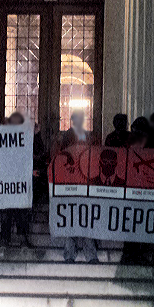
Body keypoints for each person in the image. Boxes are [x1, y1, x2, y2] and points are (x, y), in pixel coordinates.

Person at [58, 110, 99, 264]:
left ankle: (72, 254)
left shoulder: (77, 135)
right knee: (82, 218)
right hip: (78, 182)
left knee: (75, 218)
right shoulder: (77, 135)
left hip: (78, 182)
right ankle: (89, 255)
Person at [0, 112, 33, 248]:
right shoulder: (2, 139)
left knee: (21, 212)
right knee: (8, 211)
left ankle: (19, 238)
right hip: (8, 181)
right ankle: (5, 239)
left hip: (19, 181)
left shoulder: (24, 138)